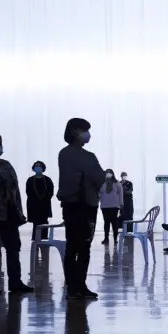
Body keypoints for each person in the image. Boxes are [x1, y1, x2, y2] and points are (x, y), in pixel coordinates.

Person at [57, 118, 105, 300]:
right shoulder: (67, 154)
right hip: (75, 204)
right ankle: (72, 286)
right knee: (74, 246)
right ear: (73, 131)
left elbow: (98, 176)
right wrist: (89, 176)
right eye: (84, 130)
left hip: (89, 204)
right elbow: (95, 176)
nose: (87, 134)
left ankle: (80, 285)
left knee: (84, 247)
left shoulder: (89, 156)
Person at [0, 133, 33, 296]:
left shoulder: (7, 165)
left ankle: (16, 282)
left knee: (13, 249)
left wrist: (18, 211)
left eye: (0, 143)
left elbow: (15, 190)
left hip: (9, 214)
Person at [25, 160, 55, 241]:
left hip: (44, 205)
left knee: (44, 222)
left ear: (43, 168)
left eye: (39, 166)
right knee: (36, 223)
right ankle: (35, 240)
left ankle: (44, 238)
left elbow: (51, 192)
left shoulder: (47, 180)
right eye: (36, 166)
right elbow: (28, 192)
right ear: (33, 168)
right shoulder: (30, 180)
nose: (38, 168)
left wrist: (44, 200)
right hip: (33, 205)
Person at [98, 169, 124, 245]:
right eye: (107, 173)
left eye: (110, 173)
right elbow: (98, 194)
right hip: (105, 206)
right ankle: (106, 238)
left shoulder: (117, 183)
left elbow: (120, 194)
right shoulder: (102, 183)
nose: (108, 174)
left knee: (114, 222)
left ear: (112, 174)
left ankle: (115, 238)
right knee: (106, 222)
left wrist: (121, 204)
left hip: (114, 206)